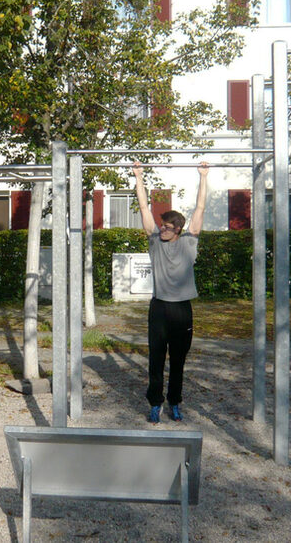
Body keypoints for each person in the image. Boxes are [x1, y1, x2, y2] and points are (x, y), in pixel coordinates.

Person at [133, 161, 209, 424]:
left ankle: (174, 402)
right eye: (161, 225)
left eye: (166, 226)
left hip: (181, 310)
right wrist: (139, 177)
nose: (161, 229)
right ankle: (155, 403)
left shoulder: (189, 242)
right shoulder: (154, 242)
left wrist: (203, 176)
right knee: (156, 360)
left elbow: (200, 208)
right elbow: (143, 207)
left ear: (177, 229)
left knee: (177, 361)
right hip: (159, 308)